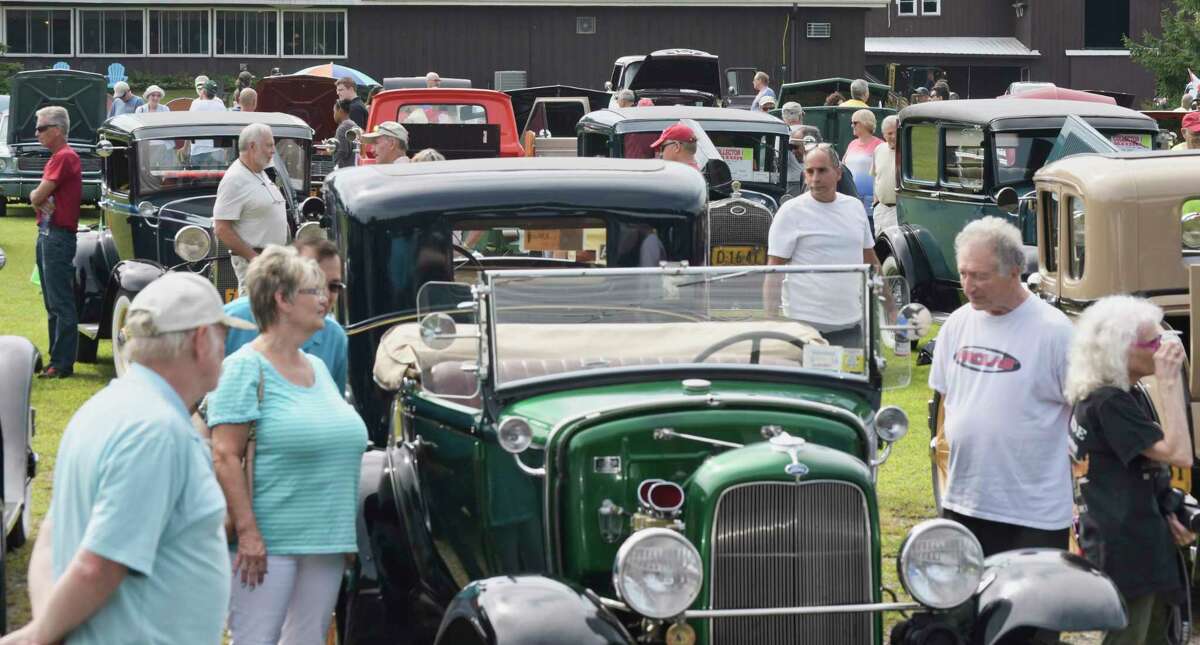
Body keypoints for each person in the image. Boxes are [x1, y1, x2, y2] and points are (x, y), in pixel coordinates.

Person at [0, 273, 253, 645]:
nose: (226, 348)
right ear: (201, 340)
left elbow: (53, 538)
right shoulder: (156, 431)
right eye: (222, 335)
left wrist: (47, 624)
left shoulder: (102, 408)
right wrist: (40, 636)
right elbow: (99, 564)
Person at [208, 245, 367, 644]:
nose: (325, 299)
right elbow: (225, 454)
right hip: (266, 545)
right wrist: (247, 533)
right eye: (314, 291)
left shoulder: (316, 366)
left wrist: (342, 533)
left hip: (326, 543)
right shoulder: (245, 367)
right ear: (281, 299)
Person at [930, 217, 1074, 557]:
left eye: (980, 275)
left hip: (1034, 514)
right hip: (965, 501)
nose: (969, 285)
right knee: (965, 605)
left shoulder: (1055, 332)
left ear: (1014, 271)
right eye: (964, 273)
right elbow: (948, 399)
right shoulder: (957, 324)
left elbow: (1084, 413)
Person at [1065, 296, 1194, 645]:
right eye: (1154, 341)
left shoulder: (1118, 396)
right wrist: (1170, 383)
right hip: (1126, 549)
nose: (1164, 348)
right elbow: (1179, 453)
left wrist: (1165, 508)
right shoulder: (1108, 402)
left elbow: (1136, 466)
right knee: (1128, 637)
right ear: (1119, 350)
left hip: (1134, 540)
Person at [763, 145, 879, 348]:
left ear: (838, 173)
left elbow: (871, 261)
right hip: (804, 327)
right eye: (810, 171)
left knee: (853, 380)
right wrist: (770, 322)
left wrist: (891, 308)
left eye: (822, 170)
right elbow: (774, 271)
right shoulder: (790, 212)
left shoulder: (855, 208)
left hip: (850, 324)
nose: (815, 178)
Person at [223, 238, 348, 395]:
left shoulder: (334, 338)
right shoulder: (230, 322)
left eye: (334, 286)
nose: (325, 296)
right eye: (315, 284)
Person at [30, 106, 81, 379]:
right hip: (50, 234)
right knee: (53, 301)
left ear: (58, 130)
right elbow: (38, 197)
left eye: (41, 128)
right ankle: (56, 361)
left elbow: (37, 197)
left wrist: (38, 197)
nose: (36, 133)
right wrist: (38, 196)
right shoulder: (59, 157)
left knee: (60, 302)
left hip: (56, 235)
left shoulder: (63, 157)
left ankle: (61, 364)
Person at [213, 123, 288, 293]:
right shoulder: (235, 179)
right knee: (256, 314)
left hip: (272, 261)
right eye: (269, 145)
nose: (273, 151)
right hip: (256, 266)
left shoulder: (259, 171)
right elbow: (221, 229)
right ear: (253, 146)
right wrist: (255, 260)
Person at [844, 109, 883, 225]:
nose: (852, 126)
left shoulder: (879, 145)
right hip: (851, 199)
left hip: (870, 202)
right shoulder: (852, 144)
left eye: (855, 123)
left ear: (866, 123)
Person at [871, 115, 899, 232]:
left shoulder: (909, 152)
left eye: (896, 132)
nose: (893, 136)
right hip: (881, 210)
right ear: (884, 135)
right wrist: (876, 203)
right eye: (889, 133)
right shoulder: (879, 149)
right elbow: (876, 176)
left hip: (899, 211)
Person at [332, 98, 357, 169]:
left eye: (334, 112)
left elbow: (342, 151)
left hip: (344, 172)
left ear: (340, 110)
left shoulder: (342, 128)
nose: (334, 115)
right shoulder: (354, 125)